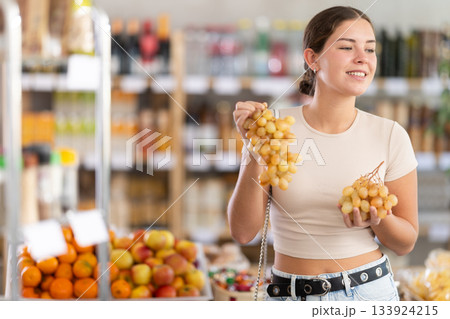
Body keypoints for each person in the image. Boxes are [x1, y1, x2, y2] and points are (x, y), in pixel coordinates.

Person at [228, 6, 418, 301]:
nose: (362, 59)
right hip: (288, 296)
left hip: (368, 293)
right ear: (312, 58)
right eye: (346, 47)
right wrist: (253, 152)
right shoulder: (274, 127)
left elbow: (406, 242)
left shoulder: (390, 134)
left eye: (370, 49)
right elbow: (242, 233)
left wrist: (378, 218)